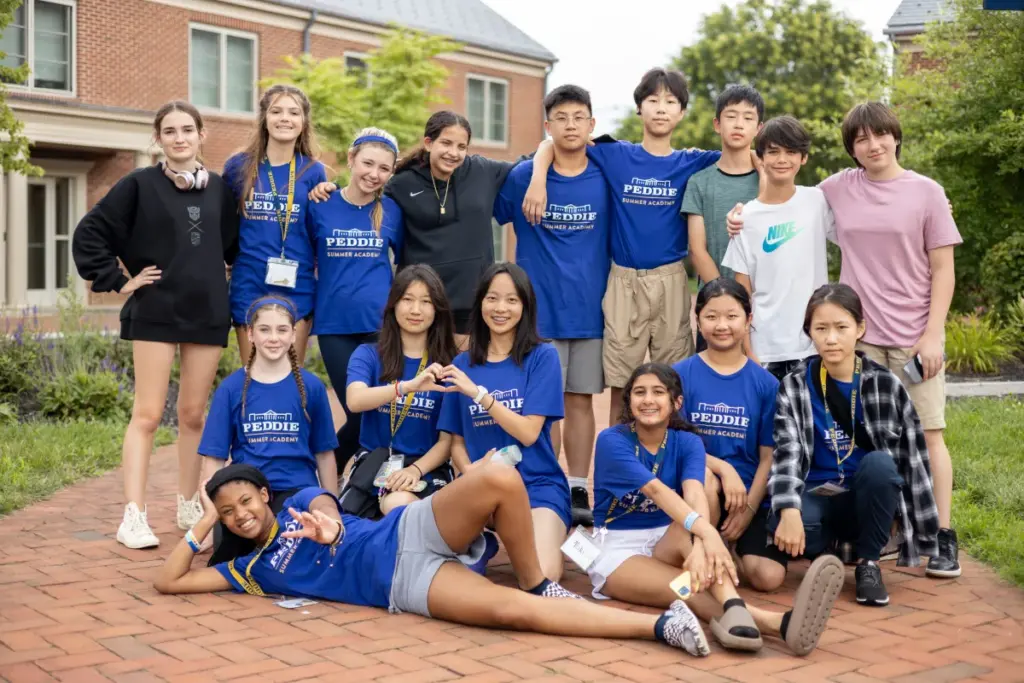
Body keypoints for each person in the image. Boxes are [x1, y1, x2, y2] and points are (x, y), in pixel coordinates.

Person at [154, 462, 715, 658]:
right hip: (403, 580)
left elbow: (324, 506)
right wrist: (201, 524)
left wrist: (328, 527)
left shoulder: (301, 502)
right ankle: (661, 625)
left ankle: (537, 581)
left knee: (497, 477)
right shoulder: (244, 571)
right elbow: (167, 582)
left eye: (246, 501)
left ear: (263, 497)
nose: (241, 515)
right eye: (229, 514)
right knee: (509, 614)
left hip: (405, 528)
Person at [72, 100, 239, 549]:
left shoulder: (221, 190)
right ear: (158, 139)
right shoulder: (138, 185)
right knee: (147, 415)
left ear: (202, 135)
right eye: (170, 131)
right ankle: (134, 516)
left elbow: (232, 247)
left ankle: (188, 503)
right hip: (156, 310)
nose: (179, 137)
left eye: (187, 129)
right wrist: (118, 282)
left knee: (192, 415)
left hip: (206, 312)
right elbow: (90, 232)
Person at [589, 363, 843, 655]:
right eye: (639, 392)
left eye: (658, 392)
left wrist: (700, 541)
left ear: (676, 402)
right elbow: (655, 491)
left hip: (666, 539)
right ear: (629, 400)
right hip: (618, 550)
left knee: (693, 539)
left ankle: (750, 617)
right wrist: (709, 536)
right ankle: (772, 622)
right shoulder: (613, 440)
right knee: (688, 590)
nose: (648, 400)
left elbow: (695, 492)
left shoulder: (687, 442)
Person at [525, 68, 720, 426]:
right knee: (623, 383)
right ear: (639, 109)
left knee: (673, 380)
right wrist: (538, 179)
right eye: (652, 101)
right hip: (623, 281)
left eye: (671, 102)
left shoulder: (692, 161)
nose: (661, 109)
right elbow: (553, 142)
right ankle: (618, 466)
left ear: (681, 113)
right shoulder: (614, 154)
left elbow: (740, 160)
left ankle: (668, 461)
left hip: (670, 279)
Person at [821, 102, 962, 578]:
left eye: (880, 135)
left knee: (928, 434)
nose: (872, 145)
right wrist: (741, 215)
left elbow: (943, 269)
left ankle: (942, 536)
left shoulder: (926, 192)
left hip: (913, 338)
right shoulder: (839, 188)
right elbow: (788, 201)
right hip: (858, 338)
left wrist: (933, 334)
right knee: (864, 438)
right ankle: (880, 532)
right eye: (861, 139)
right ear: (852, 148)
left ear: (895, 136)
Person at [770, 283, 940, 607]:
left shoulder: (884, 384)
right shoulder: (793, 385)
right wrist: (787, 508)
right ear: (809, 332)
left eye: (841, 327)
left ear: (859, 328)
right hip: (816, 492)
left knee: (879, 465)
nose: (831, 338)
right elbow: (787, 450)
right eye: (821, 328)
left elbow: (914, 459)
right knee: (798, 516)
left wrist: (915, 525)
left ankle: (868, 564)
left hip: (863, 495)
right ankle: (823, 556)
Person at [493, 84, 611, 528]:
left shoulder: (604, 172)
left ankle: (579, 485)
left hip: (589, 311)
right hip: (539, 315)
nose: (570, 125)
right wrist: (538, 169)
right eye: (560, 118)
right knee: (544, 406)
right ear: (548, 126)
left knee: (580, 402)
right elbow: (497, 212)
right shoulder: (524, 176)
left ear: (592, 125)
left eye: (579, 117)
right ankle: (549, 484)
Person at [437, 263, 570, 581]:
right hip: (482, 489)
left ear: (525, 306)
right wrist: (470, 474)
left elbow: (528, 432)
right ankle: (488, 539)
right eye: (492, 298)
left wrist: (480, 395)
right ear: (480, 303)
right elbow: (455, 441)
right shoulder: (461, 364)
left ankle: (516, 534)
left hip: (537, 487)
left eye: (511, 300)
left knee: (543, 577)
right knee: (434, 567)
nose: (500, 308)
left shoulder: (542, 357)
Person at [198, 296, 338, 564]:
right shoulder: (230, 389)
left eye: (282, 330)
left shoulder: (312, 387)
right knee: (232, 560)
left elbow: (324, 454)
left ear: (294, 334)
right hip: (249, 497)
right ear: (250, 333)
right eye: (264, 329)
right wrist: (209, 518)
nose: (274, 338)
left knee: (300, 552)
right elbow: (213, 458)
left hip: (299, 493)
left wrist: (331, 505)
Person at [672, 279, 787, 591]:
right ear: (698, 320)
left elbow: (768, 457)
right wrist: (724, 468)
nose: (722, 325)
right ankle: (709, 553)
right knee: (707, 481)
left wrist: (749, 509)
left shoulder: (766, 384)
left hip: (746, 496)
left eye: (732, 316)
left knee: (768, 577)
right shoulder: (680, 375)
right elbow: (677, 443)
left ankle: (728, 552)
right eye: (711, 317)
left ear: (748, 320)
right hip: (696, 489)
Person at [307, 128, 403, 475]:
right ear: (350, 159)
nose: (373, 174)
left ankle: (352, 481)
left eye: (383, 168)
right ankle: (329, 474)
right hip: (335, 327)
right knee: (357, 410)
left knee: (381, 412)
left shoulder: (392, 211)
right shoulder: (320, 204)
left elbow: (406, 266)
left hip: (381, 328)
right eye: (367, 163)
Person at [386, 111, 523, 344]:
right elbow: (364, 197)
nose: (453, 153)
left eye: (462, 146)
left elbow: (531, 162)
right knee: (421, 376)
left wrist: (539, 178)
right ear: (428, 143)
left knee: (460, 374)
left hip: (470, 302)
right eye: (446, 143)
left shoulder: (483, 171)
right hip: (420, 304)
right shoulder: (402, 183)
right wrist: (325, 188)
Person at [224, 84, 327, 365]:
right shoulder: (238, 167)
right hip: (249, 283)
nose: (285, 118)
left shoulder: (313, 171)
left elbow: (319, 231)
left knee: (290, 378)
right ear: (264, 119)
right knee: (254, 375)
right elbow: (223, 223)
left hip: (298, 285)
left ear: (303, 122)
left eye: (293, 112)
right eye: (276, 111)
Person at [721, 116, 831, 379]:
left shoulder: (817, 201)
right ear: (760, 159)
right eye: (773, 152)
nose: (782, 159)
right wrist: (749, 353)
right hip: (765, 349)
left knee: (810, 420)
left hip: (813, 346)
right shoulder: (744, 218)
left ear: (803, 158)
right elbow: (741, 295)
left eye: (791, 152)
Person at [345, 265, 458, 515]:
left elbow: (447, 442)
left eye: (426, 302)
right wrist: (406, 387)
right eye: (407, 299)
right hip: (374, 463)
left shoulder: (450, 365)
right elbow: (355, 400)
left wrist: (414, 471)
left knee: (398, 505)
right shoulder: (368, 355)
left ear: (437, 310)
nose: (415, 310)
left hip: (425, 468)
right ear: (393, 304)